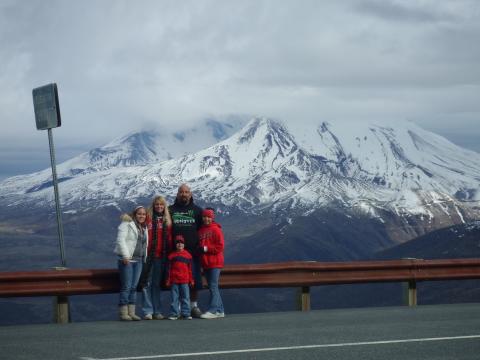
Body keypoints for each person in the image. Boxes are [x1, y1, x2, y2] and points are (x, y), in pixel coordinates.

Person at [169, 184, 204, 317]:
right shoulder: (170, 210)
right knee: (176, 281)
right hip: (175, 254)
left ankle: (193, 306)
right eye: (181, 192)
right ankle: (177, 308)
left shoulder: (197, 211)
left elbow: (204, 229)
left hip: (193, 253)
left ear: (190, 194)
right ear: (177, 194)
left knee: (194, 279)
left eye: (186, 192)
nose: (184, 194)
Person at [114, 205, 148, 321]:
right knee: (126, 286)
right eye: (139, 214)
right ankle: (123, 313)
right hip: (127, 260)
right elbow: (120, 240)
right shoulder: (126, 224)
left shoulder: (144, 227)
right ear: (134, 214)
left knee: (134, 287)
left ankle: (131, 312)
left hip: (138, 260)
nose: (141, 216)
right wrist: (125, 255)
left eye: (143, 214)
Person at [141, 196, 173, 320]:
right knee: (145, 284)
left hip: (161, 257)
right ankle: (148, 311)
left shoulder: (167, 221)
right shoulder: (147, 218)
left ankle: (157, 311)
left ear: (164, 206)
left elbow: (170, 239)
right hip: (147, 257)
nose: (159, 206)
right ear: (153, 206)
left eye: (161, 205)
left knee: (156, 284)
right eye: (156, 204)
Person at [198, 208, 225, 319]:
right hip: (206, 263)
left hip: (215, 262)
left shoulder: (216, 229)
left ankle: (213, 310)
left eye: (208, 217)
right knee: (212, 286)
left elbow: (220, 246)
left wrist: (205, 248)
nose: (206, 219)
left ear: (212, 218)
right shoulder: (200, 231)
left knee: (213, 286)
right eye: (204, 217)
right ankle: (220, 310)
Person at [166, 235, 194, 320]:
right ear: (175, 245)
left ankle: (186, 313)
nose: (179, 244)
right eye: (178, 243)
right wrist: (168, 280)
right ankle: (175, 314)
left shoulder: (188, 256)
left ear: (184, 244)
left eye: (181, 243)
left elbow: (190, 270)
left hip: (185, 280)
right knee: (174, 298)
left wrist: (191, 280)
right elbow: (168, 270)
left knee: (185, 298)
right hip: (174, 280)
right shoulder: (171, 256)